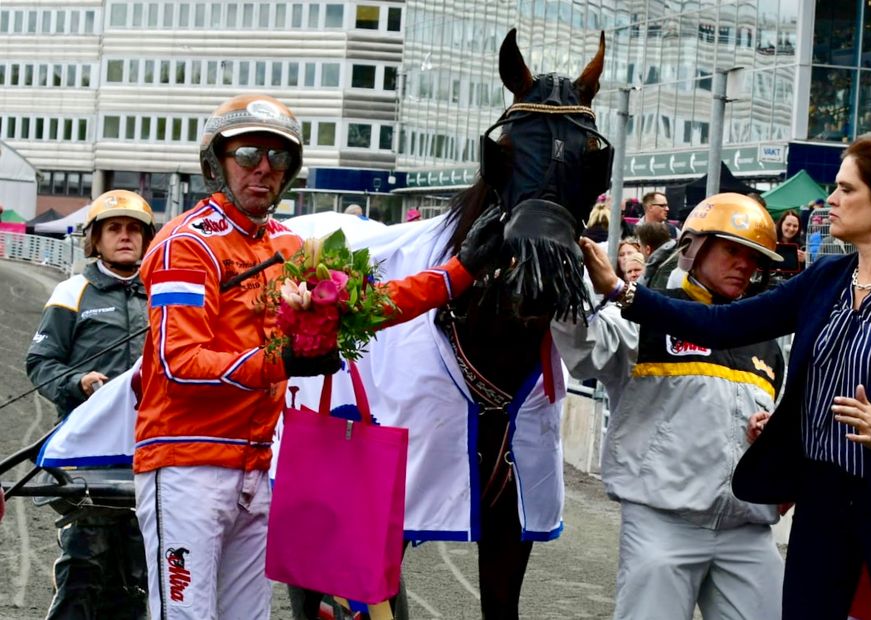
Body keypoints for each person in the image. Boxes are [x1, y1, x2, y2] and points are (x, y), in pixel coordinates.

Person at [133, 93, 505, 619]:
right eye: (248, 155)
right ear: (217, 162)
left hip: (256, 467)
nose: (264, 169)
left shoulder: (288, 246)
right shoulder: (186, 245)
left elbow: (364, 307)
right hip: (186, 467)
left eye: (279, 158)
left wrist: (457, 274)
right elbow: (180, 364)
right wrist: (284, 362)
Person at [581, 138, 871, 619]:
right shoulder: (826, 279)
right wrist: (623, 292)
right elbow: (722, 323)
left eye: (845, 189)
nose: (829, 199)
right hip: (824, 503)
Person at [555, 193, 786, 620]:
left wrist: (774, 434)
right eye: (732, 249)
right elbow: (584, 349)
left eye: (753, 257)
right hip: (664, 524)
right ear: (693, 247)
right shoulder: (645, 314)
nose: (744, 264)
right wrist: (561, 274)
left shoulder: (767, 343)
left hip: (748, 529)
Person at [26, 189, 155, 619]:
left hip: (149, 455)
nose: (125, 236)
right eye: (114, 228)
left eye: (134, 229)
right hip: (86, 458)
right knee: (83, 571)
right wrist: (77, 382)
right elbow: (40, 363)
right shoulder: (72, 291)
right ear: (95, 240)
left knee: (139, 579)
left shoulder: (162, 294)